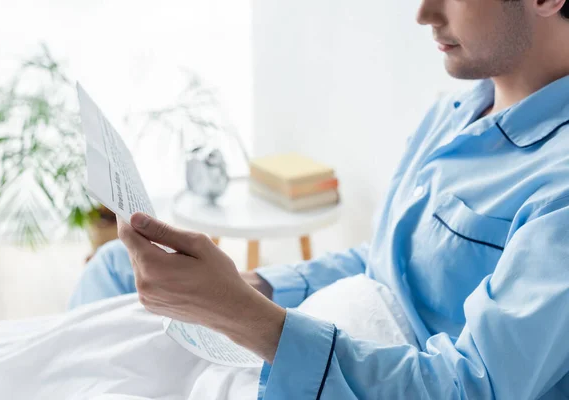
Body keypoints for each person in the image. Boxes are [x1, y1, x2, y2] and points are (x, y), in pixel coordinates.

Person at [70, 0, 569, 398]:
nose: (423, 13)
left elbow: (468, 388)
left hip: (390, 370)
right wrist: (256, 284)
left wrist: (244, 315)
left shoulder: (558, 189)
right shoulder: (456, 111)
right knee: (115, 266)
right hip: (346, 319)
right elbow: (384, 260)